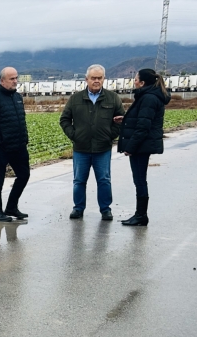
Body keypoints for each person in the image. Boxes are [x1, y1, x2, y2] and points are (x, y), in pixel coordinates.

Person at [59, 64, 125, 221]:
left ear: (104, 79)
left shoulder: (112, 98)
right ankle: (78, 208)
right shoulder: (76, 99)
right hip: (81, 148)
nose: (96, 81)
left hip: (103, 148)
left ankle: (105, 209)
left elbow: (122, 120)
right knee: (79, 180)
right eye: (93, 78)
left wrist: (110, 136)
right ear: (86, 79)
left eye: (99, 78)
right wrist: (74, 135)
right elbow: (65, 119)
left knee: (104, 180)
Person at [116, 68, 170, 226]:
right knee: (140, 180)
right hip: (143, 145)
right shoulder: (150, 96)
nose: (134, 81)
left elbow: (143, 127)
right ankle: (140, 215)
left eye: (136, 78)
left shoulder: (148, 98)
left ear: (142, 82)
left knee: (140, 180)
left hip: (141, 146)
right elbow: (143, 119)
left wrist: (130, 147)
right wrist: (125, 119)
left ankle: (141, 216)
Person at [0, 66, 30, 222]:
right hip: (2, 149)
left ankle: (11, 207)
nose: (15, 81)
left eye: (16, 78)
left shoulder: (18, 98)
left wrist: (24, 140)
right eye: (12, 79)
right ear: (2, 81)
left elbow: (21, 121)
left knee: (24, 176)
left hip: (19, 147)